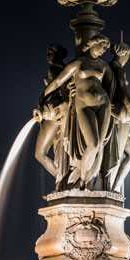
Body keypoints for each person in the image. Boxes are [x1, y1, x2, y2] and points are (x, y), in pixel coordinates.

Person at [39, 34, 115, 188]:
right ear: (93, 43)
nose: (103, 50)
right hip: (84, 105)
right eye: (102, 46)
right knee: (92, 144)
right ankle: (83, 179)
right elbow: (59, 81)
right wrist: (43, 96)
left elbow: (111, 87)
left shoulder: (103, 66)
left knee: (100, 146)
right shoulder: (78, 63)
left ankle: (89, 182)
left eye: (106, 48)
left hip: (103, 104)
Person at [103, 42, 130, 192]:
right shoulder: (117, 70)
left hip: (116, 116)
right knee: (120, 155)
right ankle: (111, 187)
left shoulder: (107, 68)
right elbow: (123, 92)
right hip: (118, 119)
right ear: (125, 55)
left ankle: (115, 187)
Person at [34, 44, 69, 178]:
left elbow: (57, 85)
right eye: (48, 52)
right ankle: (63, 180)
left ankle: (62, 180)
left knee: (40, 153)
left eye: (51, 52)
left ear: (59, 54)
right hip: (60, 112)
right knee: (59, 150)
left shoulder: (54, 68)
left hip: (53, 113)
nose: (48, 55)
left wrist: (43, 98)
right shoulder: (67, 70)